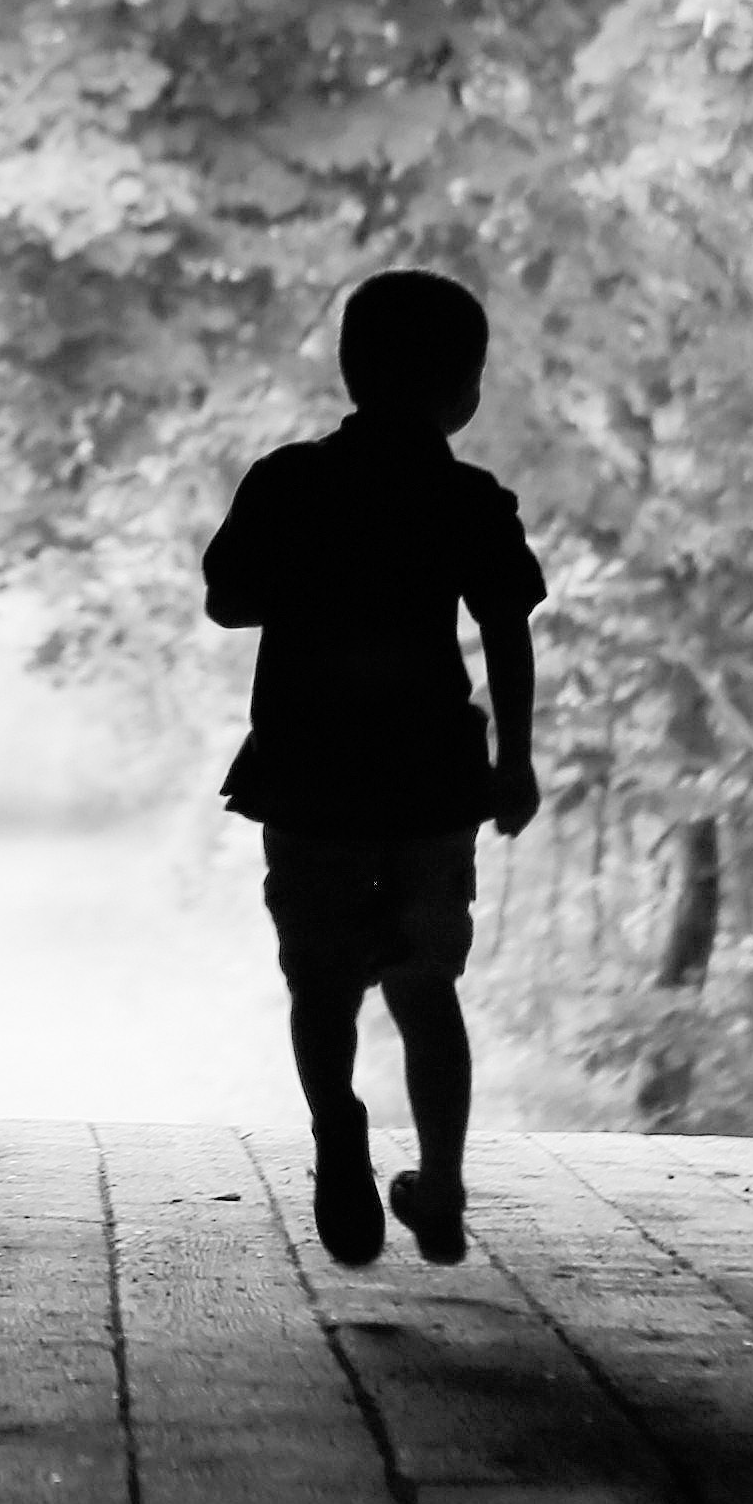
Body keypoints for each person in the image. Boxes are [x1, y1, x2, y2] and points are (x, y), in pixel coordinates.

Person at [201, 268, 544, 1267]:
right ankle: (439, 1186)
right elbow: (508, 634)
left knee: (321, 986)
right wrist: (514, 759)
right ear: (465, 391)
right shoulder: (468, 499)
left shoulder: (289, 482)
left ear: (349, 370)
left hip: (308, 775)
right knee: (426, 989)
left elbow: (228, 602)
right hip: (433, 780)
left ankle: (336, 1139)